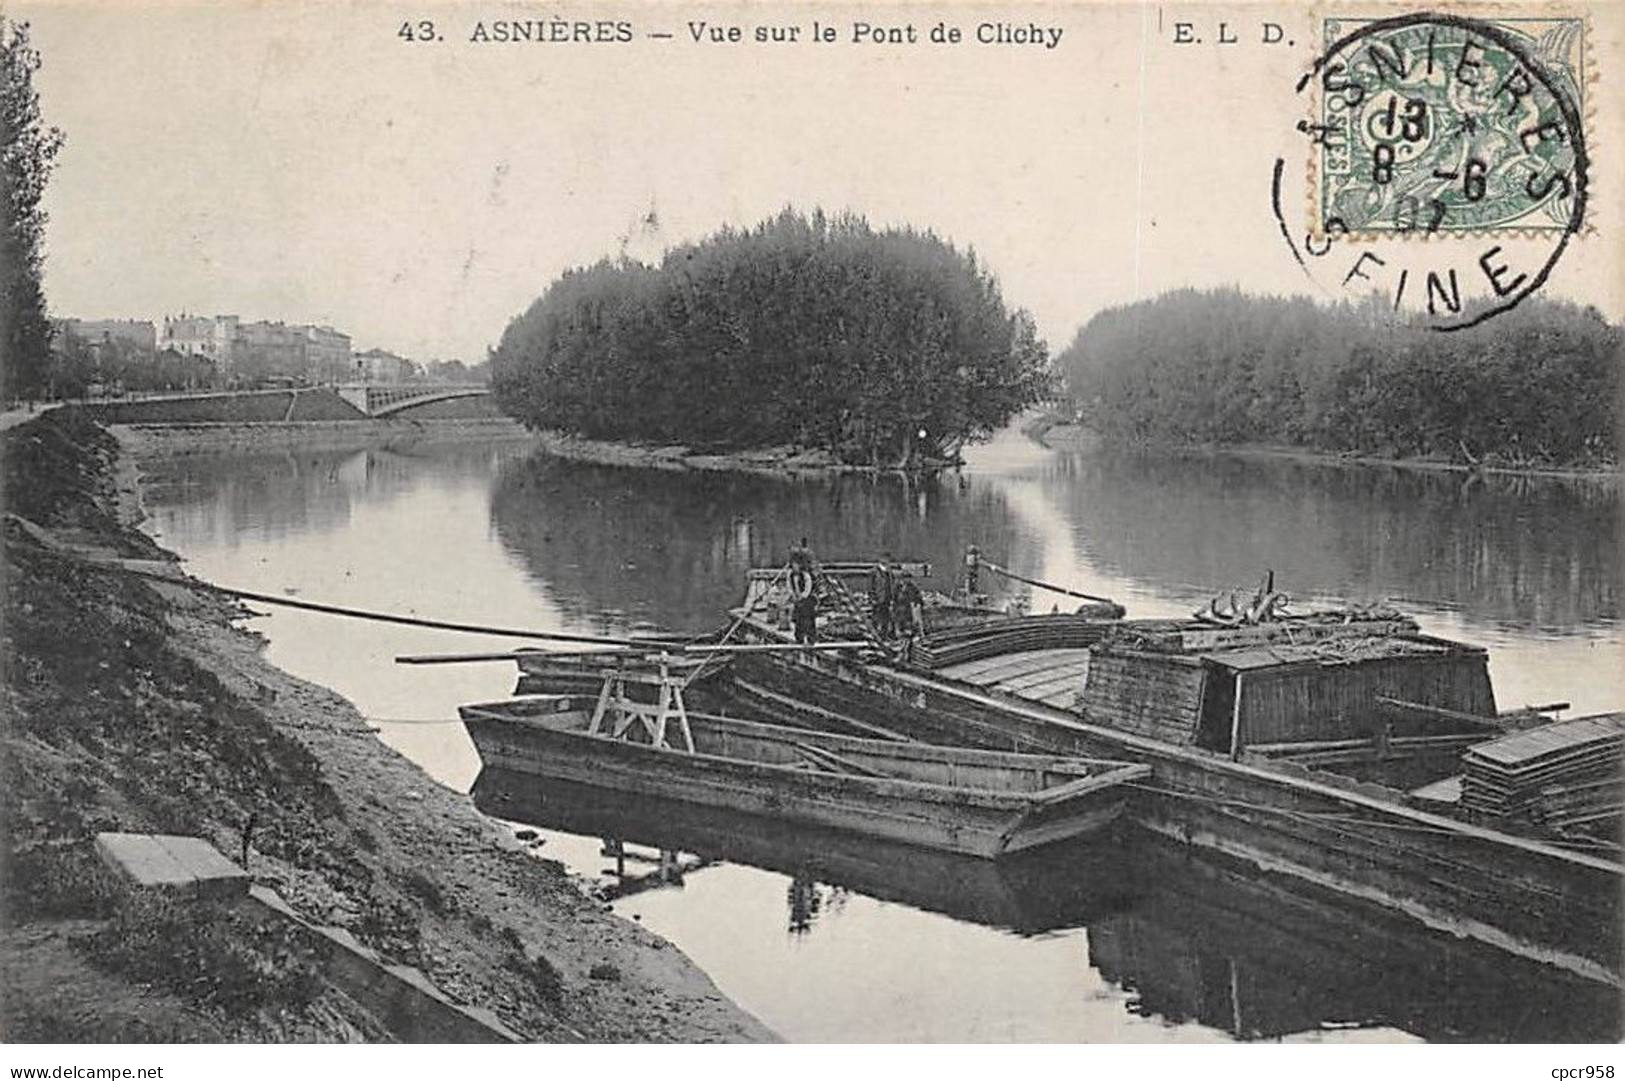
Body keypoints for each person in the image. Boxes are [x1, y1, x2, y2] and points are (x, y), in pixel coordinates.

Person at [788, 562, 817, 645]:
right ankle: (799, 638)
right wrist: (793, 595)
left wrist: (802, 597)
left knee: (808, 620)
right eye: (793, 566)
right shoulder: (791, 575)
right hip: (797, 599)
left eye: (796, 566)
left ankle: (811, 639)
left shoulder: (805, 576)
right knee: (798, 619)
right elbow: (789, 586)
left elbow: (808, 588)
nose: (794, 568)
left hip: (807, 600)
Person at [868, 553, 897, 638]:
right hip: (878, 598)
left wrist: (892, 597)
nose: (887, 561)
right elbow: (871, 586)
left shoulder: (890, 572)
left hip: (887, 598)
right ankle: (874, 635)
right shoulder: (874, 572)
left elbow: (892, 585)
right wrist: (872, 597)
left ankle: (884, 635)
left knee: (886, 617)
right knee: (876, 617)